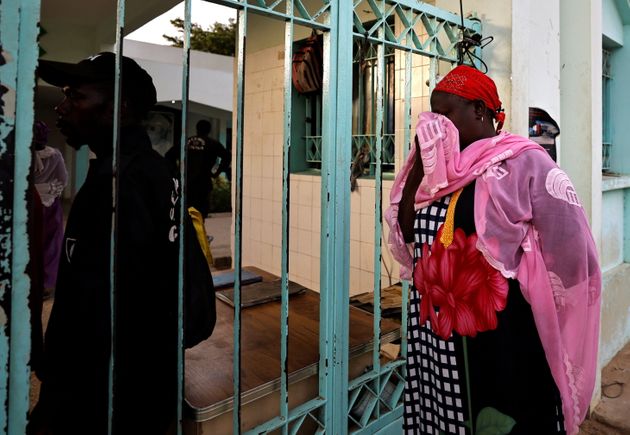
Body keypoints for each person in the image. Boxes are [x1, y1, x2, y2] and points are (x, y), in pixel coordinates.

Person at [385, 65, 601, 435]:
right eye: (432, 114)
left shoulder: (524, 162)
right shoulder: (435, 173)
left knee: (497, 417)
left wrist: (547, 301)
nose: (436, 123)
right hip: (436, 337)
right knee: (442, 417)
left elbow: (571, 251)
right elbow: (406, 231)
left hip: (498, 337)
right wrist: (422, 161)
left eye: (446, 113)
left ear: (480, 112)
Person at [29, 52, 179, 435]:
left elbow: (118, 308)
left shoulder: (121, 182)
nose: (61, 107)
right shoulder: (133, 170)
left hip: (100, 400)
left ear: (121, 106)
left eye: (75, 96)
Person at [32, 120, 68, 297]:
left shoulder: (18, 154)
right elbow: (63, 179)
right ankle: (47, 283)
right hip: (50, 205)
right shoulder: (55, 155)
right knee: (51, 244)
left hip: (27, 203)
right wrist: (50, 189)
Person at [167, 119, 231, 217]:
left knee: (184, 212)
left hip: (185, 182)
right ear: (209, 130)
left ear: (197, 129)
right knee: (200, 214)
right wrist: (217, 172)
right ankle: (196, 231)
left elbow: (169, 156)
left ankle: (187, 231)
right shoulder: (212, 143)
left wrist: (176, 172)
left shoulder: (185, 142)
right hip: (203, 182)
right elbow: (227, 157)